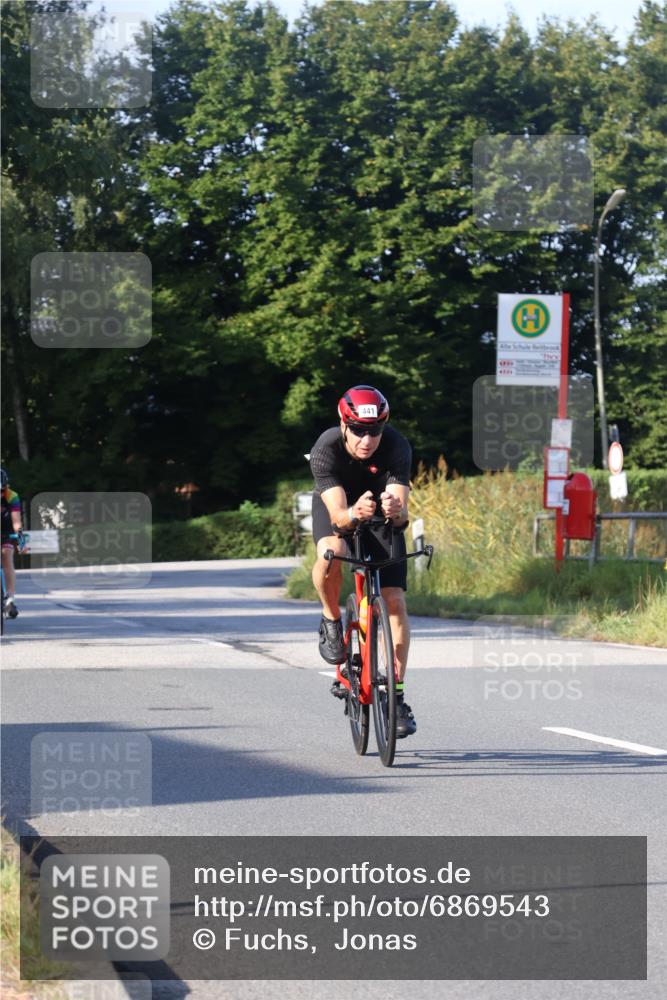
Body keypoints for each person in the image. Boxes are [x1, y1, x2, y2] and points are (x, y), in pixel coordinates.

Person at [309, 385, 417, 738]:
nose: (367, 440)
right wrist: (354, 512)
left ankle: (396, 696)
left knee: (394, 601)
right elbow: (339, 517)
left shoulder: (397, 446)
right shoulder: (326, 448)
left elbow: (401, 516)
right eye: (357, 430)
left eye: (375, 431)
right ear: (344, 424)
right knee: (331, 550)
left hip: (379, 515)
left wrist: (396, 511)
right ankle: (331, 619)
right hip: (340, 508)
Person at [1, 468, 26, 618]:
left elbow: (16, 521)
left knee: (7, 554)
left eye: (1, 490)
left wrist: (21, 540)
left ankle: (10, 598)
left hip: (6, 529)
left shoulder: (12, 496)